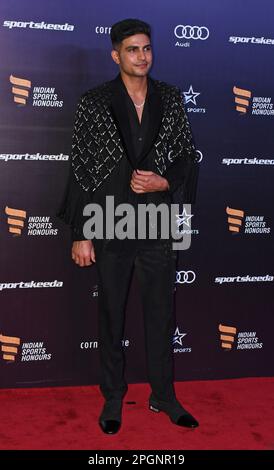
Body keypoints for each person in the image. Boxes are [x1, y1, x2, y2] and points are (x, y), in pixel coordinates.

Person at [58, 18, 199, 434]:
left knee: (160, 314)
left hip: (156, 221)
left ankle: (164, 396)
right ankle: (113, 397)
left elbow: (188, 156)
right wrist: (81, 232)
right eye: (133, 49)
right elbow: (82, 169)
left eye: (147, 48)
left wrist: (165, 181)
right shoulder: (95, 101)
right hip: (109, 219)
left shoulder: (170, 99)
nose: (142, 56)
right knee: (111, 314)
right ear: (115, 54)